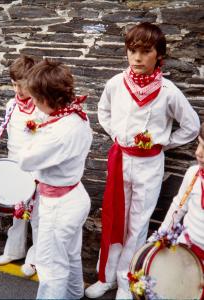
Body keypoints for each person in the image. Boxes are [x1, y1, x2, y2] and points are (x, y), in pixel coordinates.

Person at [85, 22, 200, 299]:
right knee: (114, 219)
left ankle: (127, 280)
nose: (137, 58)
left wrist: (163, 144)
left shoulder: (168, 91)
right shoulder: (116, 83)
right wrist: (116, 134)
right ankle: (106, 276)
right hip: (121, 159)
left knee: (137, 224)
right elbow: (103, 111)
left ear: (159, 55)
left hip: (149, 164)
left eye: (145, 51)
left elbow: (191, 126)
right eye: (132, 50)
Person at [17, 59, 92, 299]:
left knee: (51, 266)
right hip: (74, 194)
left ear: (48, 99)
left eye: (36, 99)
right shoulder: (76, 115)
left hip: (59, 205)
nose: (33, 104)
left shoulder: (59, 134)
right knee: (70, 254)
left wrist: (29, 132)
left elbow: (25, 160)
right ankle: (74, 294)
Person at [0, 55, 45, 277]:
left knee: (36, 216)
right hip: (15, 165)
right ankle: (14, 250)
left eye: (21, 85)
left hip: (35, 168)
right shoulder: (11, 105)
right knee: (18, 212)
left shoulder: (40, 108)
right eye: (13, 84)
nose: (17, 89)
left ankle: (35, 258)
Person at [151, 122, 204, 261]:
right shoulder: (193, 174)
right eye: (199, 144)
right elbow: (178, 206)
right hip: (184, 249)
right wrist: (162, 234)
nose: (198, 152)